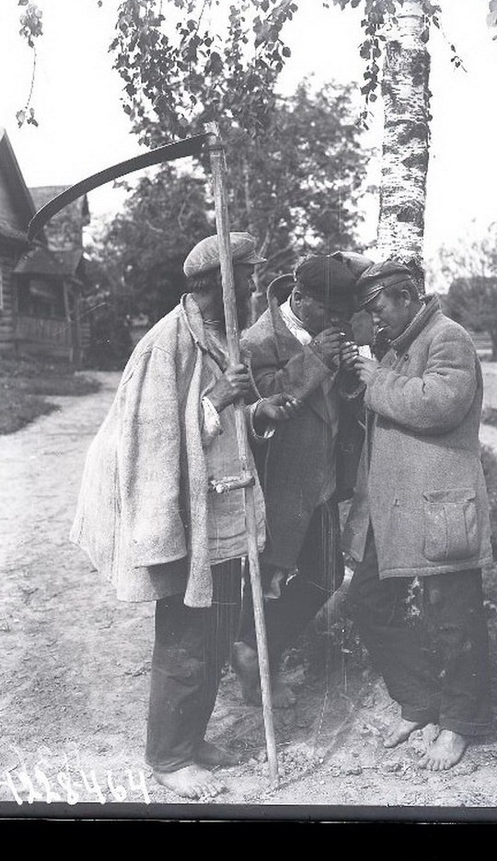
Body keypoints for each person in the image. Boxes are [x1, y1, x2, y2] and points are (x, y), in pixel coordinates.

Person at [69, 232, 300, 800]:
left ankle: (191, 739)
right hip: (182, 517)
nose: (252, 287)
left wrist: (255, 411)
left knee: (217, 633)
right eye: (245, 277)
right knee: (186, 637)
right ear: (217, 283)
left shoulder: (220, 337)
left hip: (221, 508)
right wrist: (219, 398)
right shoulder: (165, 345)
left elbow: (223, 427)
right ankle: (169, 757)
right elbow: (151, 444)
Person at [341, 258, 493, 772]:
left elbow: (440, 404)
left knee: (454, 619)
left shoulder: (448, 337)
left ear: (405, 296)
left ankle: (460, 722)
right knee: (366, 601)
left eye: (377, 306)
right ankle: (420, 700)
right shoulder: (399, 345)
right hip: (399, 508)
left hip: (441, 505)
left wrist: (378, 381)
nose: (373, 317)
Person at [231, 253, 368, 707]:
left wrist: (349, 374)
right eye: (329, 311)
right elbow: (265, 400)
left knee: (326, 576)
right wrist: (315, 359)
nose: (337, 321)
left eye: (343, 315)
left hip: (322, 482)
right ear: (300, 297)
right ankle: (256, 667)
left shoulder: (333, 330)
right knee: (268, 578)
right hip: (281, 484)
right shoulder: (258, 340)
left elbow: (340, 403)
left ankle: (254, 650)